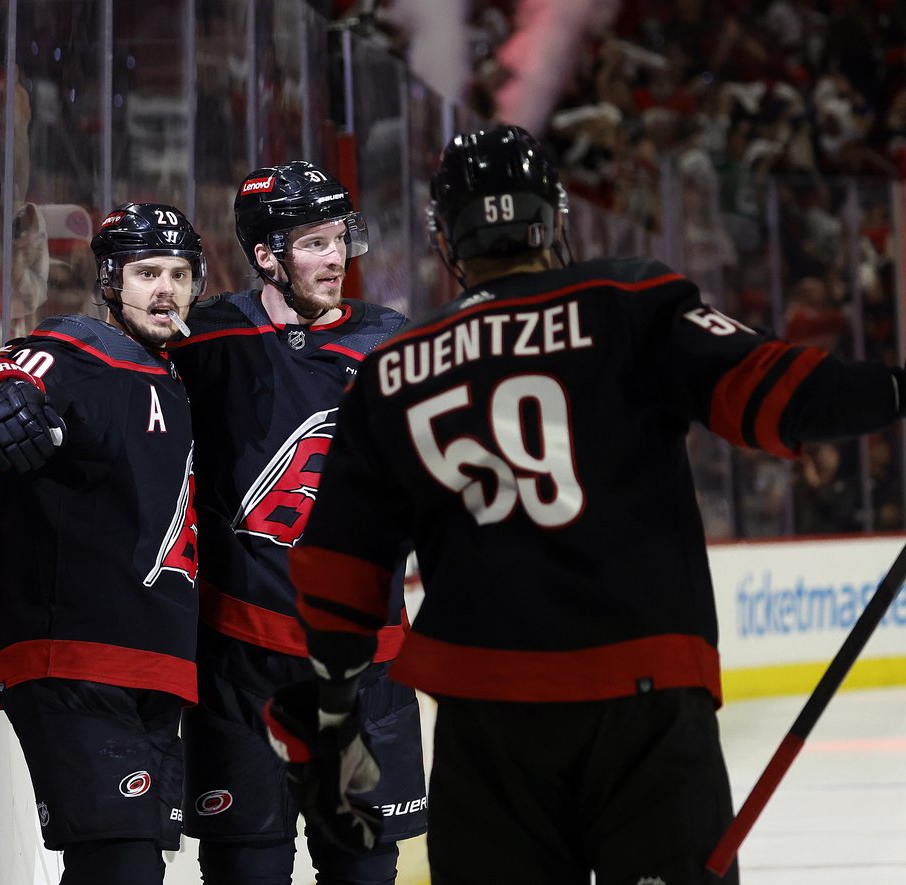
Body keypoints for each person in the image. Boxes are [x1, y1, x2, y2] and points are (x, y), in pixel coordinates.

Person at [263, 124, 906, 884]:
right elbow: (785, 394)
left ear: (450, 239)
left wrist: (334, 717)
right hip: (644, 706)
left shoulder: (396, 367)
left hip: (488, 720)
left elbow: (340, 569)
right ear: (552, 216)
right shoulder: (629, 301)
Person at [168, 161, 426, 884]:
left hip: (364, 665)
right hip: (242, 661)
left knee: (364, 869)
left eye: (340, 238)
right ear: (266, 255)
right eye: (314, 242)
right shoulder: (204, 337)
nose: (337, 256)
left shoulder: (392, 345)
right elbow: (106, 375)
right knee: (246, 867)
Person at [0, 202, 205, 885]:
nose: (166, 290)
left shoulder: (184, 383)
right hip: (77, 654)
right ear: (112, 282)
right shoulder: (78, 349)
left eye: (180, 274)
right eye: (147, 272)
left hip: (153, 661)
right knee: (122, 863)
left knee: (122, 862)